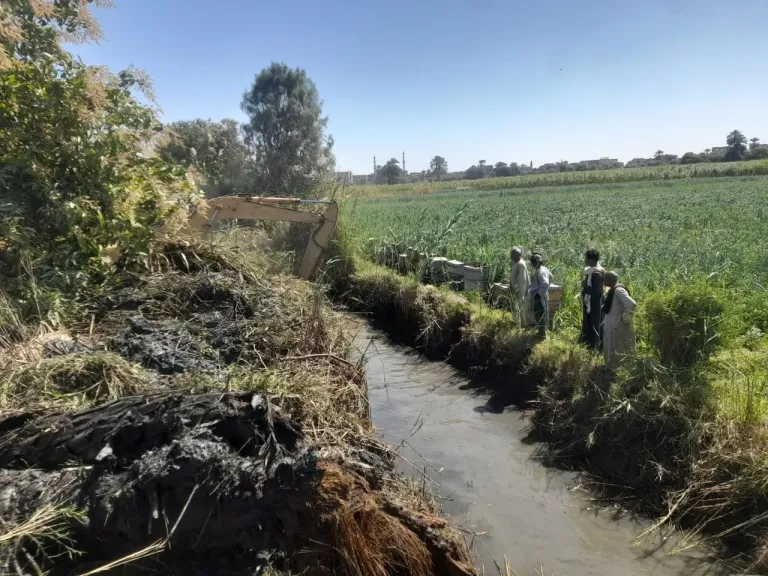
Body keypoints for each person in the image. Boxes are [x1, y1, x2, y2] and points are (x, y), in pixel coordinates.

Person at [602, 271, 637, 369]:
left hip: (618, 325)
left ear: (610, 280)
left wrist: (625, 319)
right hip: (612, 324)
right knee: (612, 346)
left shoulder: (618, 290)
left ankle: (620, 369)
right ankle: (611, 367)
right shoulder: (612, 290)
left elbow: (631, 304)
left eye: (605, 278)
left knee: (619, 348)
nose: (603, 280)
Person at [580, 249, 605, 351]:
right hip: (589, 301)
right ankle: (587, 344)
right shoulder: (591, 271)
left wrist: (586, 290)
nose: (585, 260)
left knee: (595, 323)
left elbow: (597, 291)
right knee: (588, 323)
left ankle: (595, 347)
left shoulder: (597, 273)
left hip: (595, 303)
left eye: (586, 258)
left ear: (591, 260)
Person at [527, 252, 553, 337]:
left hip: (539, 296)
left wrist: (540, 293)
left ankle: (542, 333)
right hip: (542, 294)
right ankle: (541, 332)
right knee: (541, 313)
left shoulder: (540, 271)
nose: (532, 264)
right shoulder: (543, 269)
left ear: (537, 262)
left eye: (533, 262)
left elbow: (545, 283)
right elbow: (551, 277)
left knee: (539, 313)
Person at [509, 246, 530, 326]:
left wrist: (518, 290)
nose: (512, 258)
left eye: (513, 256)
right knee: (515, 307)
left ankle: (522, 324)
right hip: (515, 289)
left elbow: (522, 280)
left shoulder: (521, 264)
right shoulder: (516, 262)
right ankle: (517, 322)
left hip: (519, 291)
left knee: (520, 307)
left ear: (517, 256)